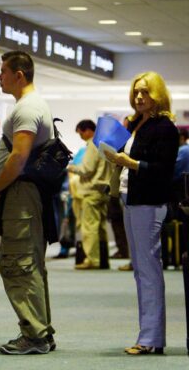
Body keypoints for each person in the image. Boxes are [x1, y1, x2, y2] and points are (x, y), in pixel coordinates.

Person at [104, 71, 178, 356]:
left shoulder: (165, 128)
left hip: (149, 202)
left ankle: (150, 338)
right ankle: (149, 336)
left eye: (145, 92)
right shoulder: (136, 124)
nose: (138, 97)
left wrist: (130, 163)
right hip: (130, 199)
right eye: (136, 92)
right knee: (141, 270)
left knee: (148, 271)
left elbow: (161, 171)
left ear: (157, 94)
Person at [0, 51, 56, 355]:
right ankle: (41, 330)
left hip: (21, 195)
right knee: (30, 264)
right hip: (26, 195)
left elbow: (18, 157)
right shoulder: (28, 105)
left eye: (3, 71)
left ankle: (35, 335)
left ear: (19, 74)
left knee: (19, 265)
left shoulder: (27, 108)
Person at [67, 119, 113, 270]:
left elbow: (87, 169)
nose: (81, 136)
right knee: (100, 227)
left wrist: (71, 167)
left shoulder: (93, 144)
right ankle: (103, 259)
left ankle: (92, 260)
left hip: (91, 191)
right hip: (103, 190)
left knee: (89, 227)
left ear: (87, 130)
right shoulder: (106, 144)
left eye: (80, 133)